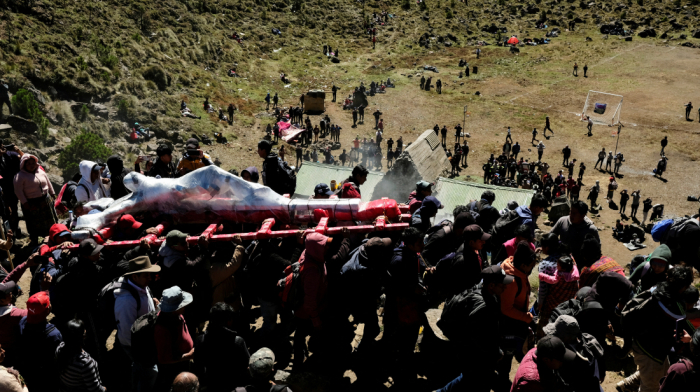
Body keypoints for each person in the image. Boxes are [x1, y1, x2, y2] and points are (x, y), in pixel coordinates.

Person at [434, 265, 512, 392]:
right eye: (502, 284)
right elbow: (478, 337)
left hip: (473, 356)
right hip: (476, 357)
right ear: (491, 285)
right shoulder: (483, 308)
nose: (505, 286)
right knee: (470, 381)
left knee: (467, 381)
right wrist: (496, 352)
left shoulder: (481, 291)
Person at [624, 266, 694, 392]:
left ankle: (627, 384)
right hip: (651, 352)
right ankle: (629, 384)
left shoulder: (658, 289)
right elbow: (685, 326)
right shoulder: (674, 307)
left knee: (659, 374)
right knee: (651, 387)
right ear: (683, 286)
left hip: (641, 342)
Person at [114, 255, 161, 391]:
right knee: (148, 373)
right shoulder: (126, 300)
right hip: (139, 347)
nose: (150, 278)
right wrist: (141, 352)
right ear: (134, 277)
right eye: (147, 275)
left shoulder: (140, 285)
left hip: (146, 342)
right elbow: (126, 333)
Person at [497, 242, 538, 383]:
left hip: (515, 319)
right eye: (531, 266)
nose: (533, 268)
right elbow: (506, 308)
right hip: (508, 323)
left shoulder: (515, 268)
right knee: (507, 354)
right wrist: (525, 317)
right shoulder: (512, 281)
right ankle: (502, 380)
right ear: (523, 265)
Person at [194, 302, 250, 391]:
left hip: (211, 385)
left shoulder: (200, 340)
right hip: (233, 385)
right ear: (228, 321)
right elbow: (246, 365)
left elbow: (198, 366)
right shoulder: (237, 341)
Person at [16, 291, 62, 392]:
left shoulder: (22, 322)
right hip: (45, 376)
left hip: (28, 371)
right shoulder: (53, 334)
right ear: (47, 311)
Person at [435, 224, 491, 300]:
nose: (484, 242)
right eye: (481, 240)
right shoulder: (462, 261)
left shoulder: (476, 249)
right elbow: (459, 288)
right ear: (471, 242)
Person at [155, 286, 195, 389]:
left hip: (182, 364)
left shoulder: (177, 315)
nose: (185, 306)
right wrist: (188, 356)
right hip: (172, 371)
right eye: (182, 304)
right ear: (174, 309)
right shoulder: (163, 329)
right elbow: (164, 359)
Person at [13, 154, 57, 244]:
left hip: (45, 200)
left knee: (49, 220)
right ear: (24, 164)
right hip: (31, 203)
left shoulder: (40, 171)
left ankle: (52, 237)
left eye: (33, 163)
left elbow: (48, 182)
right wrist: (25, 203)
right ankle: (34, 241)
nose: (31, 165)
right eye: (29, 163)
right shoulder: (20, 176)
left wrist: (52, 193)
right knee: (33, 223)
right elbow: (18, 191)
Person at [55, 319, 107, 392]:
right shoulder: (85, 364)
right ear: (83, 336)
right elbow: (95, 390)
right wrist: (104, 389)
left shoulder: (59, 349)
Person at [537, 255, 580, 327]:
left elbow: (551, 280)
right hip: (564, 307)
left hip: (552, 304)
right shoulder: (574, 276)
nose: (556, 266)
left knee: (545, 324)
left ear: (564, 268)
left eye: (558, 265)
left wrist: (542, 276)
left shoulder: (560, 276)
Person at [0, 282, 25, 366]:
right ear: (2, 300)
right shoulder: (14, 314)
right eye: (8, 293)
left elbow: (9, 278)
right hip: (12, 348)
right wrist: (45, 290)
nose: (11, 292)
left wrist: (22, 267)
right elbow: (36, 312)